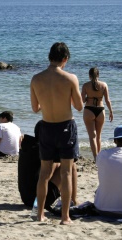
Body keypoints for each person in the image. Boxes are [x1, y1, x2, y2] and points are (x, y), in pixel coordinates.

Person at [30, 42, 84, 224]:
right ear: (65, 59)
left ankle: (40, 215)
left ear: (49, 57)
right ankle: (65, 217)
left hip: (46, 126)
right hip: (65, 127)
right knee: (66, 172)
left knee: (44, 173)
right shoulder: (70, 78)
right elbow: (78, 107)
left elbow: (35, 108)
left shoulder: (36, 79)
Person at [81, 67, 114, 162]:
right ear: (98, 75)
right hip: (100, 110)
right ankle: (99, 157)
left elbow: (82, 100)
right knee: (99, 136)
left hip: (89, 110)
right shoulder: (104, 85)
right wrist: (111, 111)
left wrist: (88, 98)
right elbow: (107, 100)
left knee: (92, 136)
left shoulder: (85, 86)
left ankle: (95, 158)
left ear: (89, 76)